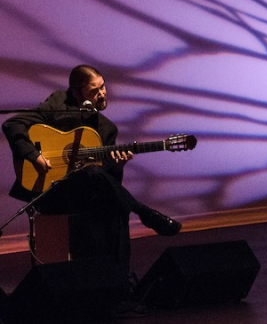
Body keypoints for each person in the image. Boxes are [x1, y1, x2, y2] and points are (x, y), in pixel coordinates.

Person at [2, 65, 181, 273]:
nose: (102, 94)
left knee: (115, 202)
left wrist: (118, 165)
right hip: (49, 191)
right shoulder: (59, 103)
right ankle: (144, 212)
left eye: (103, 87)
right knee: (93, 173)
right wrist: (34, 155)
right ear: (77, 92)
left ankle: (119, 277)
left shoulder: (106, 128)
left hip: (83, 196)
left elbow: (110, 182)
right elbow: (12, 125)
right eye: (94, 91)